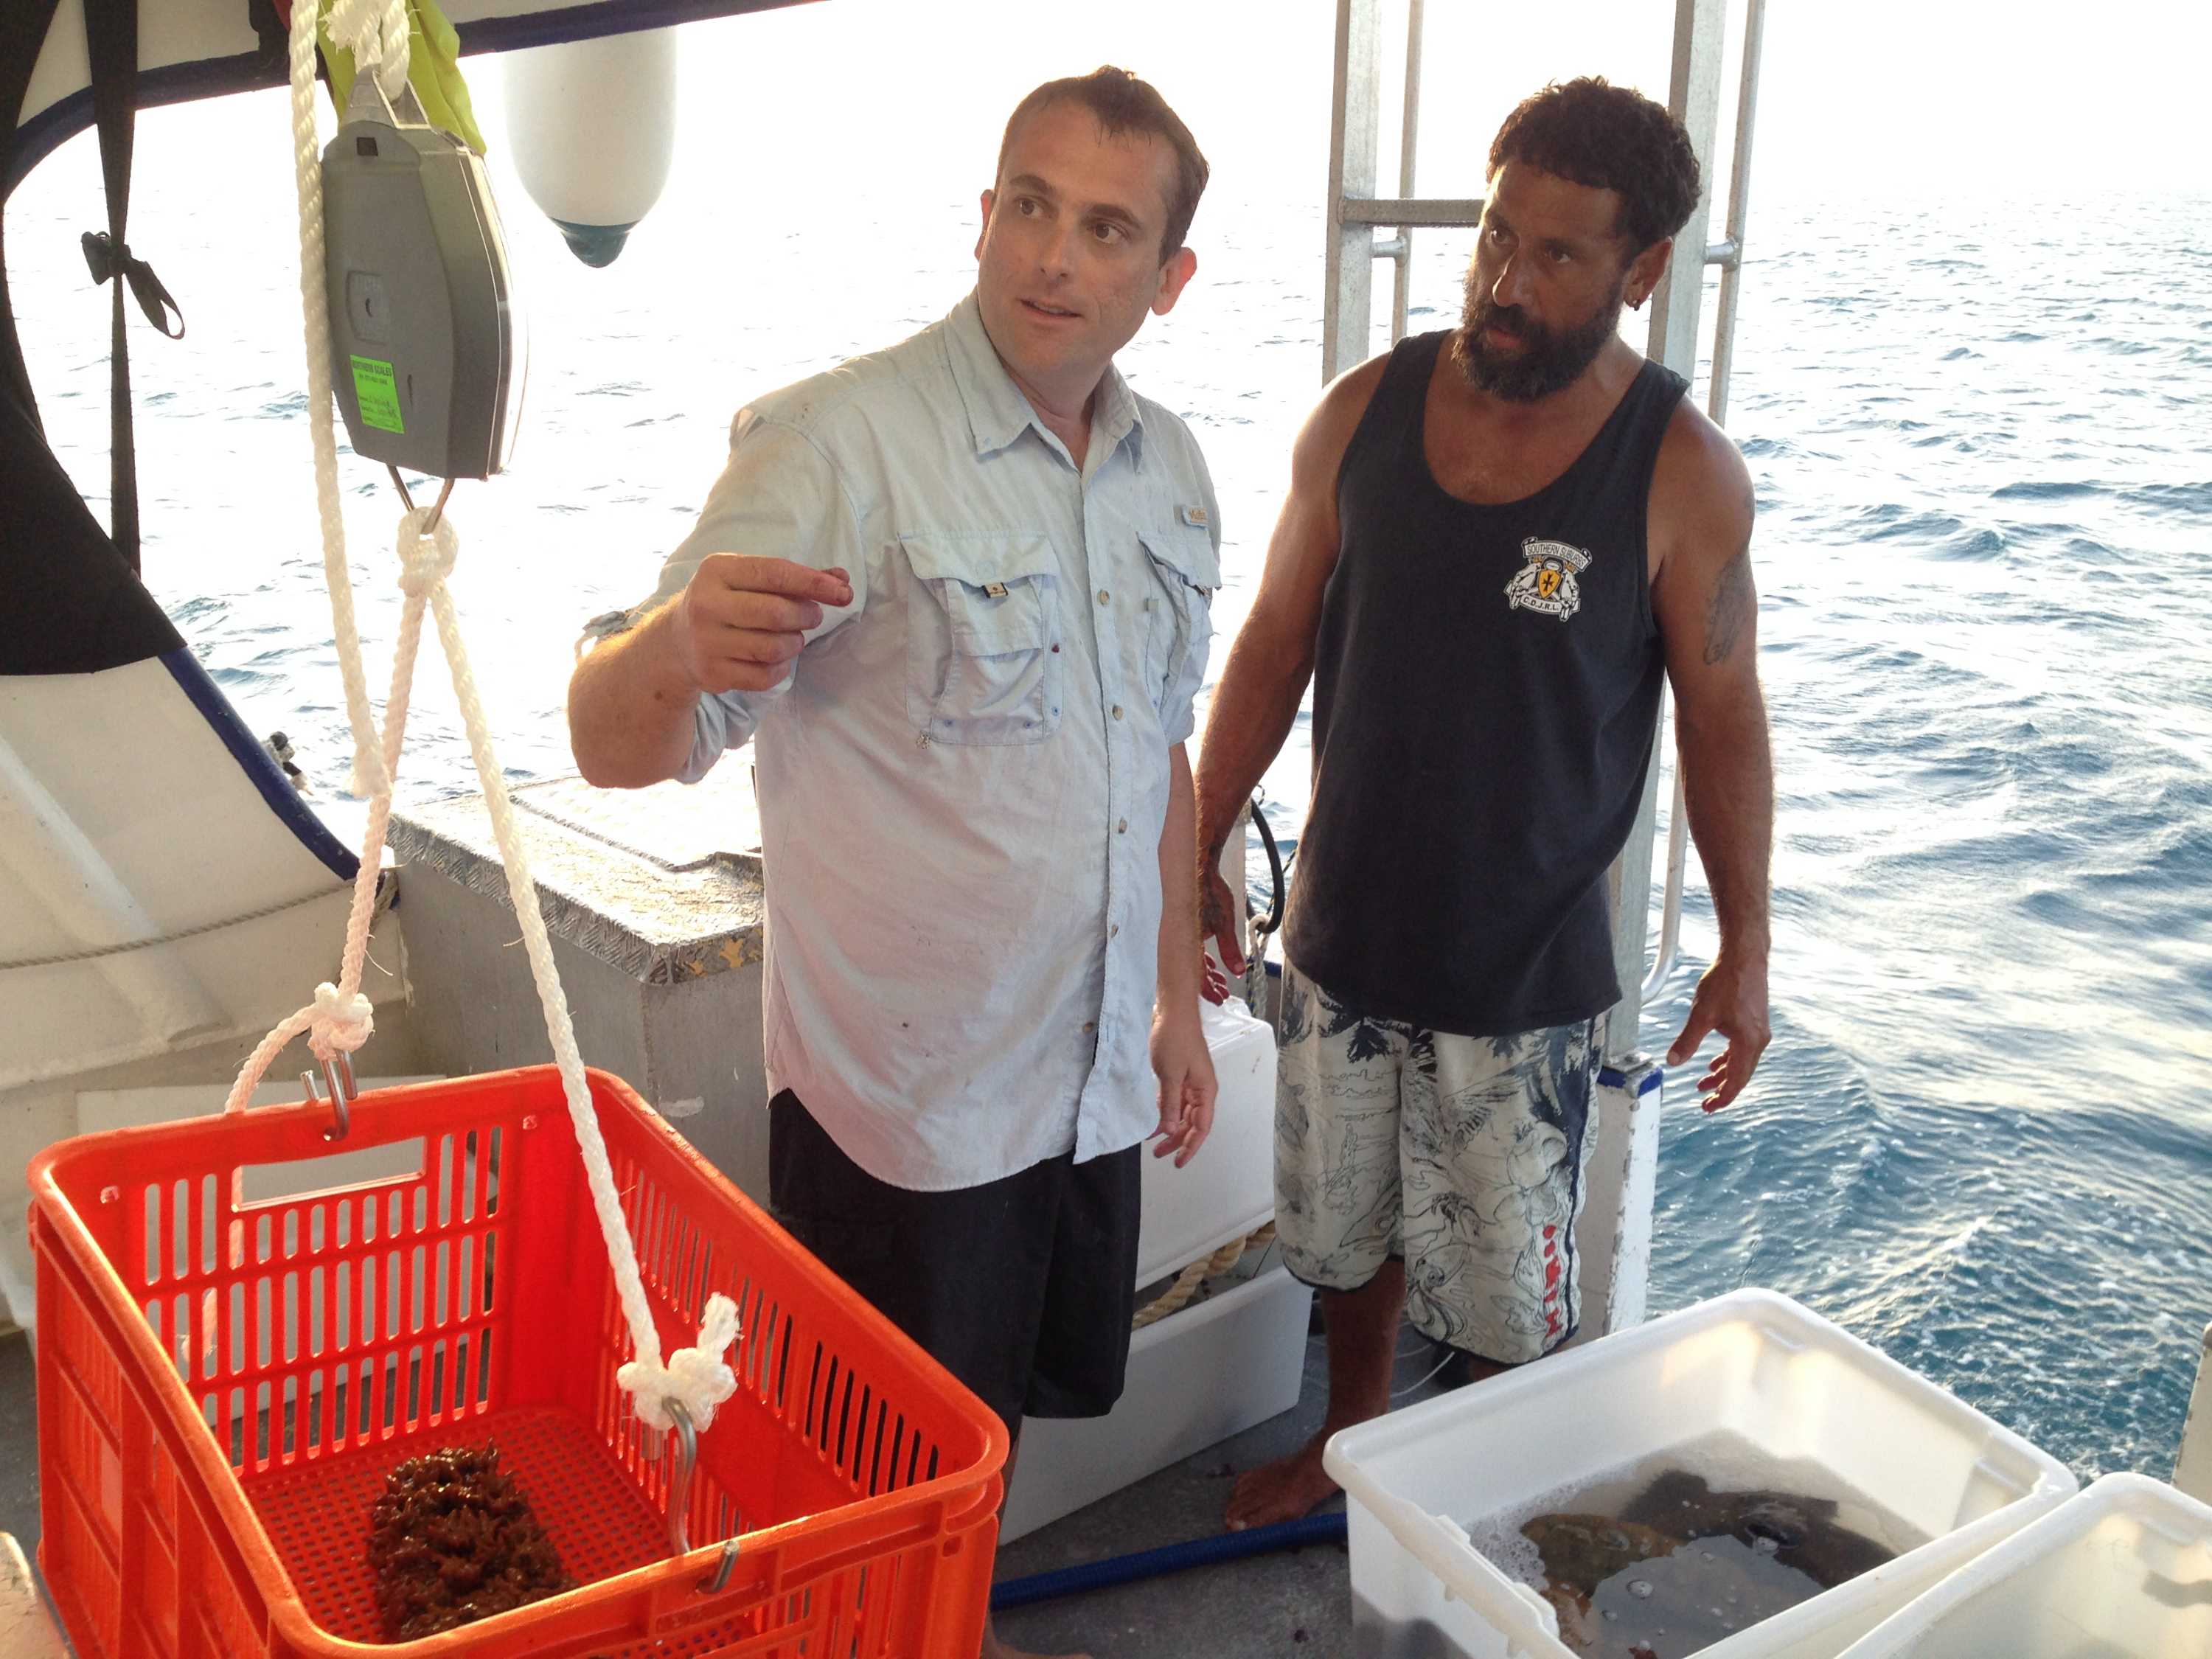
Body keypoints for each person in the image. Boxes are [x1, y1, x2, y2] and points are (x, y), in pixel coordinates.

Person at [566, 67, 1220, 1659]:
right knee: (871, 1480)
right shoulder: (837, 440)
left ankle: (946, 1622)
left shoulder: (1175, 471)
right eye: (1030, 206)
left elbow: (1159, 751)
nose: (1055, 256)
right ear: (985, 215)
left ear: (1168, 279)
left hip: (1081, 1095)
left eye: (1108, 227)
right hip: (907, 1123)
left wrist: (1176, 1008)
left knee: (996, 1440)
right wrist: (667, 644)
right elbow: (611, 736)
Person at [1194, 77, 1775, 1531]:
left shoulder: (1682, 474)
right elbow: (1269, 646)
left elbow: (1723, 721)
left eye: (1558, 255)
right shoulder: (1360, 415)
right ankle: (1356, 1451)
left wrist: (1746, 949)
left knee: (1515, 1299)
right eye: (1495, 236)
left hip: (1525, 976)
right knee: (1345, 1241)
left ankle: (1496, 1509)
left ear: (1641, 271)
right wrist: (1192, 840)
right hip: (1342, 939)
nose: (1507, 282)